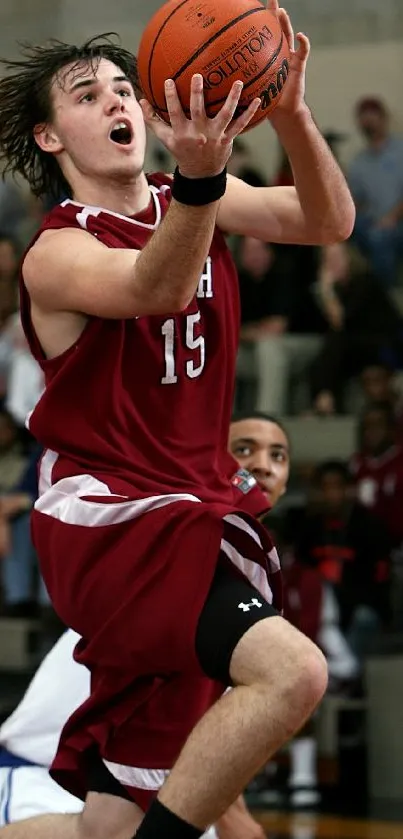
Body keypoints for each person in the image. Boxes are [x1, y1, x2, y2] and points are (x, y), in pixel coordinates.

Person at [0, 2, 354, 836]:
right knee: (292, 670)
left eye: (125, 87)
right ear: (51, 138)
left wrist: (292, 114)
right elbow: (153, 286)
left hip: (189, 500)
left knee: (111, 818)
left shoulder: (192, 196)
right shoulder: (59, 250)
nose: (117, 102)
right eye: (87, 96)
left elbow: (326, 220)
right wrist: (199, 181)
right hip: (110, 517)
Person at [310, 241, 403, 415]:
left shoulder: (364, 282)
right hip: (358, 345)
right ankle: (325, 399)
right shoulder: (340, 289)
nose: (332, 264)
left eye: (336, 258)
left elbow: (339, 321)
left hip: (387, 344)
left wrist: (326, 289)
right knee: (331, 347)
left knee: (336, 341)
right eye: (327, 260)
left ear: (350, 258)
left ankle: (324, 396)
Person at [348, 96, 403, 286]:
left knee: (379, 238)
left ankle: (387, 296)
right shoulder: (359, 162)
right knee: (341, 230)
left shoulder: (400, 150)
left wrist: (392, 217)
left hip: (397, 221)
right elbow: (356, 200)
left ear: (383, 118)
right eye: (364, 118)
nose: (368, 122)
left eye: (372, 116)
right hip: (374, 221)